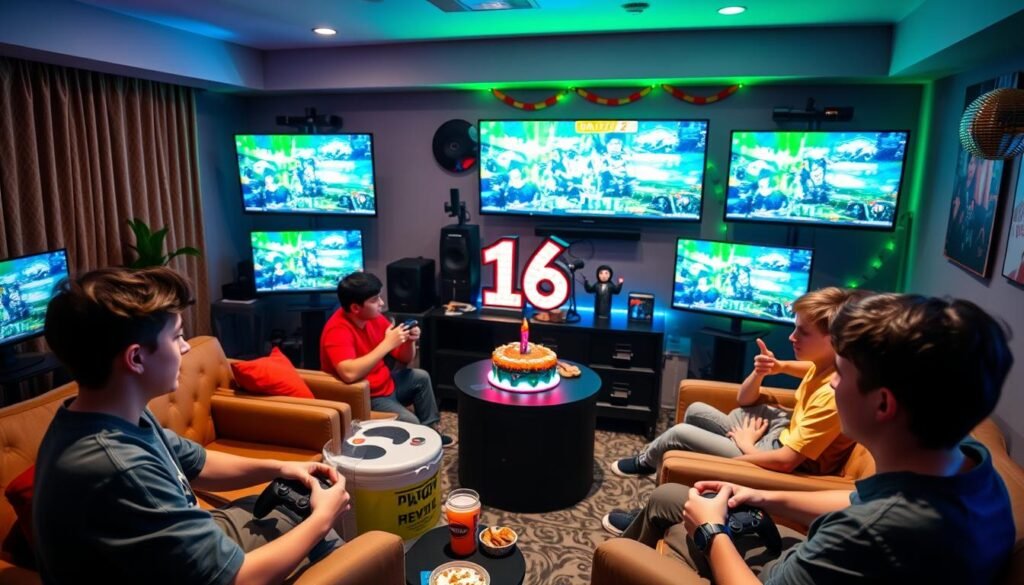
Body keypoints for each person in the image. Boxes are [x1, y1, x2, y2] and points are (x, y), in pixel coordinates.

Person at [620, 294, 1015, 583]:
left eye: (841, 373)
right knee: (668, 496)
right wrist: (759, 495)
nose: (833, 383)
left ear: (883, 404)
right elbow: (859, 497)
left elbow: (866, 517)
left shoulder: (869, 533)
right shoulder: (967, 460)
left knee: (646, 531)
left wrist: (712, 531)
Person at [35, 266, 351, 585]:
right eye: (176, 337)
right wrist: (325, 516)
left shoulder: (113, 413)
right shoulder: (119, 467)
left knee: (292, 500)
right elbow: (238, 580)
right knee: (327, 534)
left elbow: (197, 463)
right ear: (136, 359)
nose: (185, 348)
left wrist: (281, 468)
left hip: (179, 554)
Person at [603, 287, 865, 535]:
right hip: (775, 440)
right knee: (695, 410)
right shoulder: (823, 367)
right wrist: (776, 366)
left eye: (802, 332)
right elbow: (795, 371)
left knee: (680, 434)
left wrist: (747, 444)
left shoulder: (831, 393)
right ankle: (652, 463)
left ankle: (646, 481)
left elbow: (786, 461)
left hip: (777, 460)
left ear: (833, 340)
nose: (791, 337)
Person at [320, 271, 454, 446]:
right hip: (366, 396)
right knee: (412, 424)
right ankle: (420, 440)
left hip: (386, 383)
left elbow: (405, 358)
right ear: (355, 308)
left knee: (420, 377)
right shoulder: (337, 330)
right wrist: (387, 344)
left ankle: (430, 432)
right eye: (375, 300)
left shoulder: (373, 317)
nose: (382, 304)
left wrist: (409, 341)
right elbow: (349, 373)